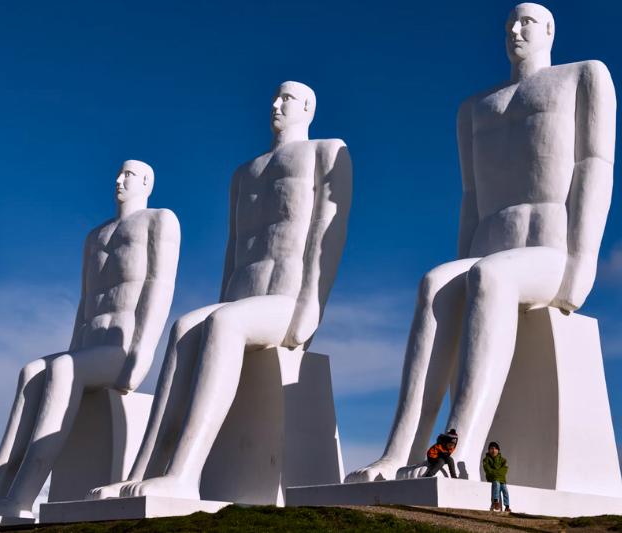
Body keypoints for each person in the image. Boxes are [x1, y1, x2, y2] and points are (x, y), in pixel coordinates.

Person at [347, 2, 615, 483]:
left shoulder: (583, 76)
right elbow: (471, 197)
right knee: (434, 282)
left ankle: (459, 447)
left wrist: (584, 260)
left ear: (550, 29)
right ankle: (400, 450)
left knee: (491, 276)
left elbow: (594, 167)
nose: (515, 30)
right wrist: (460, 267)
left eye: (527, 21)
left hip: (548, 250)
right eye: (510, 23)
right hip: (487, 247)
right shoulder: (474, 106)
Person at [88, 81, 352, 501]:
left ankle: (185, 473)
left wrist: (312, 304)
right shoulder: (244, 173)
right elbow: (235, 246)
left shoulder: (325, 151)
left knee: (225, 323)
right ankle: (142, 471)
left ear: (308, 107)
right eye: (275, 96)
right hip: (240, 297)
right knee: (185, 326)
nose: (276, 103)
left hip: (284, 300)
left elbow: (326, 233)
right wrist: (218, 302)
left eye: (287, 98)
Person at [0, 160, 180, 519]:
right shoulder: (95, 236)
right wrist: (71, 348)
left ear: (146, 181)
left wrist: (139, 355)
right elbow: (85, 302)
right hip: (86, 346)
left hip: (119, 348)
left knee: (64, 367)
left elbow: (158, 288)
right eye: (117, 173)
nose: (118, 180)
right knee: (33, 370)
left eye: (128, 174)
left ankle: (21, 497)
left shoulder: (159, 220)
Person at [483, 441, 510, 512]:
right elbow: (488, 470)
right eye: (491, 448)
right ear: (489, 450)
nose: (493, 450)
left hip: (502, 480)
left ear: (498, 450)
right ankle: (496, 502)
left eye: (495, 449)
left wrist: (496, 473)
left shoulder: (503, 460)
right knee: (496, 484)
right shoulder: (486, 460)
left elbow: (504, 470)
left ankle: (507, 506)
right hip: (492, 478)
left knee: (505, 490)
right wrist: (497, 474)